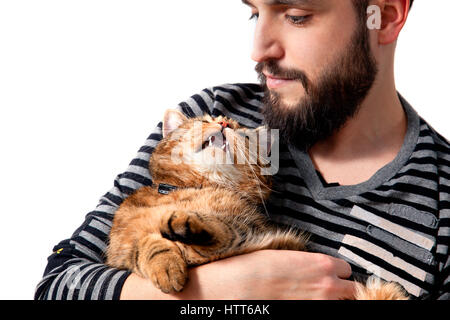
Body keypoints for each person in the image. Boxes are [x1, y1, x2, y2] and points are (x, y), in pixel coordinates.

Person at [35, 0, 449, 300]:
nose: (259, 49)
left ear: (385, 17)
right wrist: (222, 294)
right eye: (255, 12)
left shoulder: (442, 203)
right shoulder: (210, 116)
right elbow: (58, 285)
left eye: (295, 16)